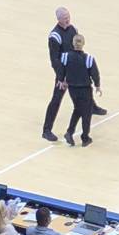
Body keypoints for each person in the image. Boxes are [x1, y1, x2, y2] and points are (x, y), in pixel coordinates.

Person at [55, 34, 102, 146]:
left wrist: (61, 80)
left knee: (77, 109)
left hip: (72, 89)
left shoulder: (65, 57)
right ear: (83, 44)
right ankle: (85, 137)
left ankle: (69, 132)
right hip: (85, 89)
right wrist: (97, 85)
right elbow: (95, 74)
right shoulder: (89, 59)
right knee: (87, 112)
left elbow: (61, 70)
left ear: (73, 44)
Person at [40, 7, 78, 139]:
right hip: (64, 72)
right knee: (56, 99)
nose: (67, 19)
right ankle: (46, 130)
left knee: (86, 87)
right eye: (64, 18)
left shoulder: (73, 29)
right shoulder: (55, 36)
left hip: (74, 67)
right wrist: (61, 78)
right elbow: (54, 60)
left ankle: (92, 107)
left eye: (68, 16)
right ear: (58, 19)